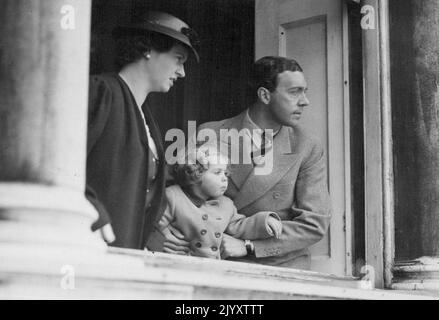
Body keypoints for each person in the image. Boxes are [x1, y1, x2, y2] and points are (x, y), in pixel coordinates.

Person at [196, 56, 331, 269]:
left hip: (281, 265)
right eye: (295, 92)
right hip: (218, 259)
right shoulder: (209, 134)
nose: (305, 101)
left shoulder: (307, 146)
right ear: (265, 95)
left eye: (305, 92)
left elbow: (314, 224)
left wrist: (249, 245)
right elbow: (182, 200)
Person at [86, 11, 200, 249]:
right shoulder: (101, 92)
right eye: (178, 59)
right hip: (89, 243)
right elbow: (61, 168)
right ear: (148, 49)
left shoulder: (146, 118)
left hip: (124, 251)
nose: (182, 72)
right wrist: (92, 211)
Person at [146, 146, 283, 259]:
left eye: (225, 174)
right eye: (217, 173)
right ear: (195, 174)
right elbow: (154, 223)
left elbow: (238, 225)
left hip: (213, 268)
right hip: (176, 263)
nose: (224, 179)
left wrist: (264, 221)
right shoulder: (173, 196)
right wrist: (166, 238)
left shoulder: (226, 204)